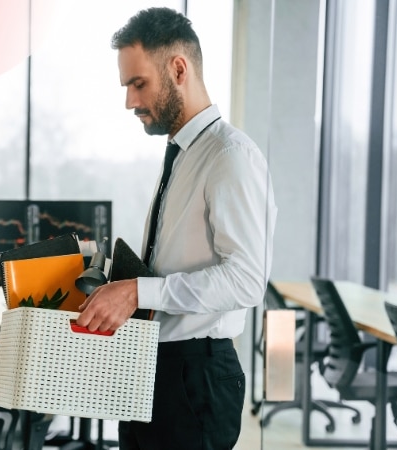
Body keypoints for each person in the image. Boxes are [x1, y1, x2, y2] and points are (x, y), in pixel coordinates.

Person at [76, 7, 277, 450]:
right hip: (156, 368)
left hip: (195, 376)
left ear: (179, 70)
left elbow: (247, 280)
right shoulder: (184, 155)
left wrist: (137, 292)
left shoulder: (230, 157)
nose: (130, 102)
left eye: (138, 84)